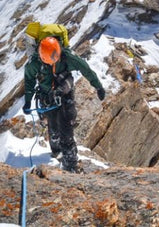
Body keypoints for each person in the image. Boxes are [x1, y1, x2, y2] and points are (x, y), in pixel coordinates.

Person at [23, 35, 106, 172]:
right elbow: (29, 81)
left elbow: (85, 68)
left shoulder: (66, 56)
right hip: (47, 97)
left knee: (66, 129)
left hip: (64, 93)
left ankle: (70, 163)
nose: (54, 61)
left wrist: (98, 86)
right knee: (53, 126)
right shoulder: (34, 63)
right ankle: (55, 150)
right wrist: (27, 101)